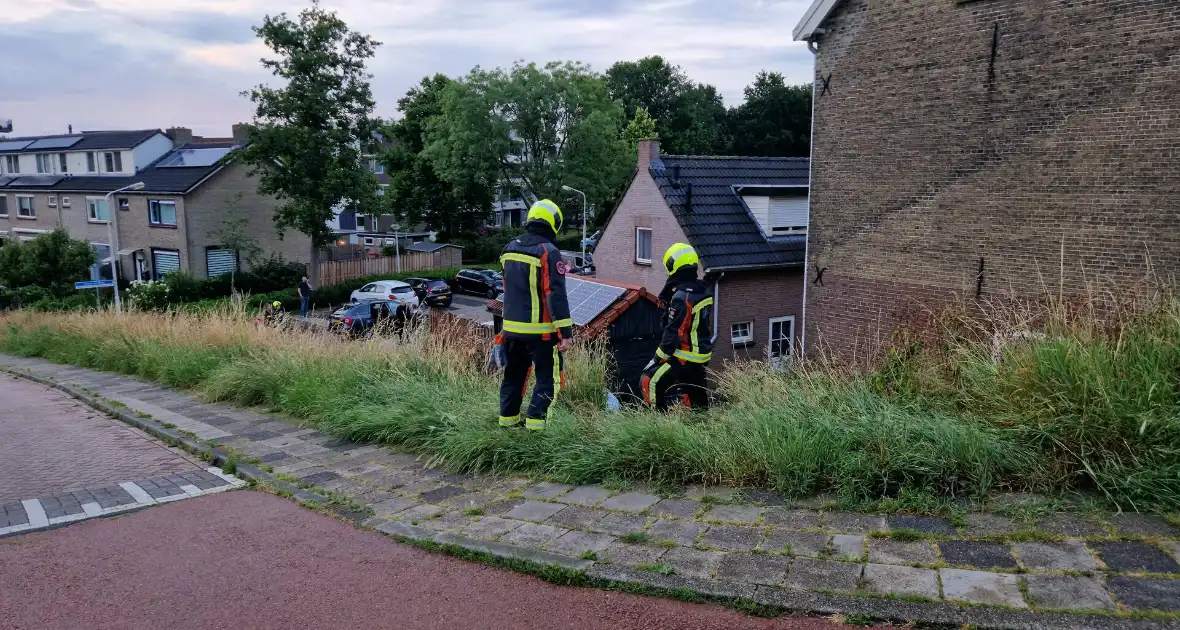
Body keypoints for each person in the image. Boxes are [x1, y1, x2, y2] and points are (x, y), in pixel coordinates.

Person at [497, 199, 573, 432]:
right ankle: (536, 432)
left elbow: (507, 288)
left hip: (511, 331)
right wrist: (566, 333)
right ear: (554, 223)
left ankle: (507, 425)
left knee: (513, 377)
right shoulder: (548, 252)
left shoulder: (508, 249)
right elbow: (555, 294)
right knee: (547, 382)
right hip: (540, 333)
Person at [641, 243, 713, 411]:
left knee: (649, 380)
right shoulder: (703, 290)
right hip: (700, 355)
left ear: (674, 266)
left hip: (685, 356)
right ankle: (698, 420)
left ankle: (657, 426)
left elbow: (673, 332)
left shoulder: (682, 297)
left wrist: (657, 358)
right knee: (695, 393)